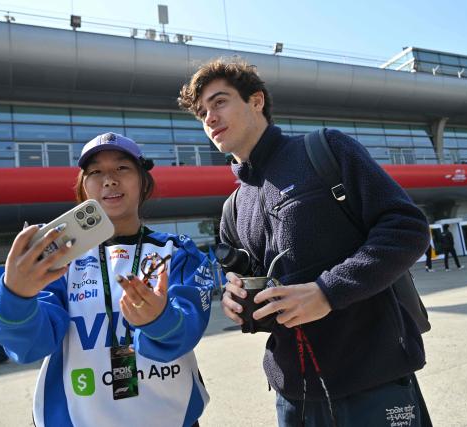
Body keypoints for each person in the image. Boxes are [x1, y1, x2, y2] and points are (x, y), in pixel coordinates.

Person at [178, 59, 432, 426]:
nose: (210, 118)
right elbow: (269, 302)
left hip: (373, 380)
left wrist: (328, 291)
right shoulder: (233, 209)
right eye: (202, 112)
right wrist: (243, 306)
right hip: (294, 398)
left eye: (219, 102)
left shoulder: (325, 150)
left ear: (256, 101)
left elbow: (407, 227)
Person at [0, 133, 213, 427]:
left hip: (171, 418)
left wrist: (161, 320)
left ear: (144, 182)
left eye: (122, 168)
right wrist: (16, 296)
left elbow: (187, 330)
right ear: (83, 188)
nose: (109, 180)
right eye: (95, 172)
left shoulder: (178, 251)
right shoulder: (59, 261)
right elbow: (32, 346)